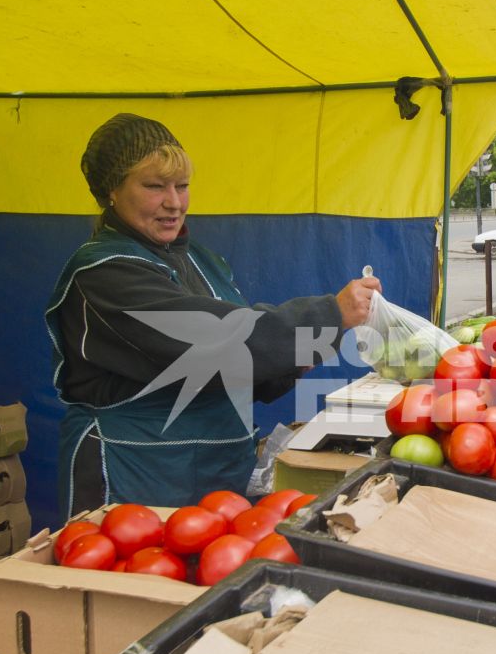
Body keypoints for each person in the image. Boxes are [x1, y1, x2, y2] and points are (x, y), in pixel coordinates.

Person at [47, 114, 378, 518]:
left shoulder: (205, 262)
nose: (174, 202)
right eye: (154, 186)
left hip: (216, 477)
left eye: (182, 186)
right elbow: (213, 340)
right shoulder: (102, 272)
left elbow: (234, 367)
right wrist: (329, 314)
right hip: (135, 477)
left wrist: (294, 357)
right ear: (111, 191)